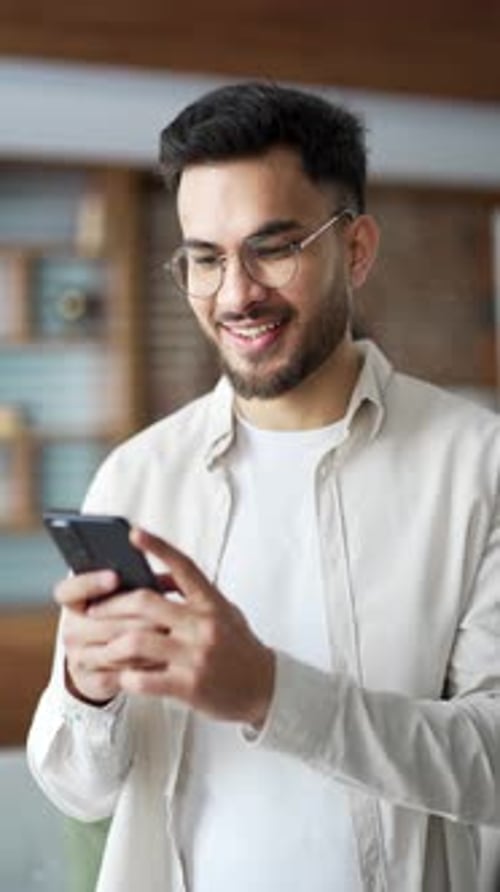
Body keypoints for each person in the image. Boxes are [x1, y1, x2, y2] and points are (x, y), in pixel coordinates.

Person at [27, 81, 500, 892]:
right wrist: (87, 689)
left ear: (356, 249)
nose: (236, 293)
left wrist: (270, 694)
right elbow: (78, 788)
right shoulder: (136, 476)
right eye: (206, 259)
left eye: (273, 248)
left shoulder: (478, 466)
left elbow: (491, 761)